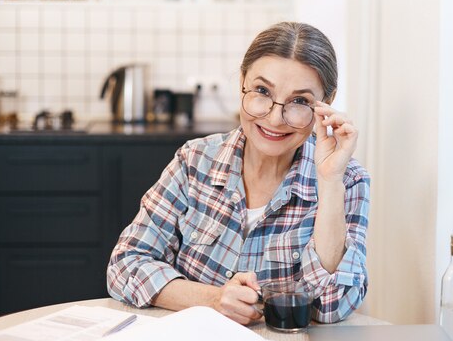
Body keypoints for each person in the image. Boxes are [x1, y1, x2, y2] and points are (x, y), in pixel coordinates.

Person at [106, 21, 370, 325]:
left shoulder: (347, 180)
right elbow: (124, 264)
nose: (274, 118)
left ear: (327, 102)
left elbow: (335, 305)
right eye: (261, 91)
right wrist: (213, 299)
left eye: (300, 101)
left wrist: (329, 181)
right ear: (242, 81)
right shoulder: (195, 160)